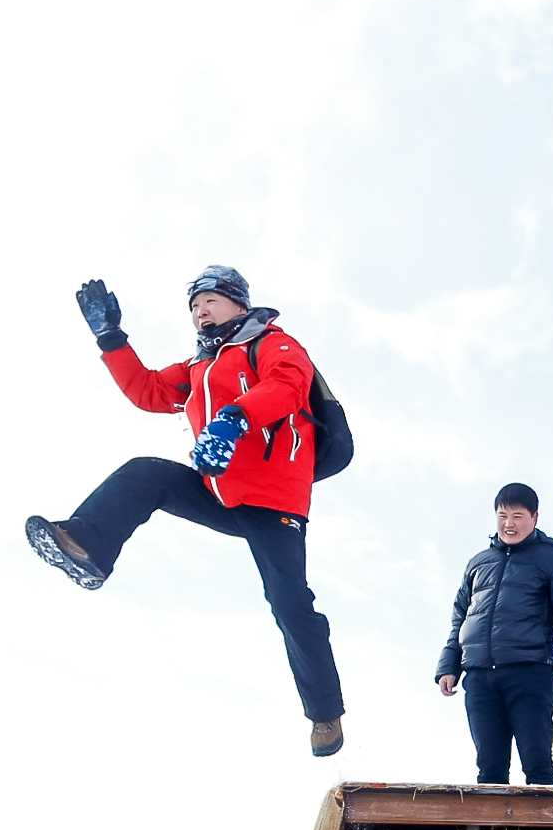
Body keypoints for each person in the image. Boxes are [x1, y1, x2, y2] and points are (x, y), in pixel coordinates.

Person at [27, 265, 347, 756]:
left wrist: (236, 418)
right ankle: (86, 544)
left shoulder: (273, 343)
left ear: (239, 304)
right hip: (218, 494)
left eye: (211, 302)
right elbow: (149, 391)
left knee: (289, 603)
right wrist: (111, 338)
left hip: (275, 502)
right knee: (146, 474)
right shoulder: (200, 367)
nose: (201, 312)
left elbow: (286, 387)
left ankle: (325, 714)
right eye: (195, 306)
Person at [436, 483, 553, 786]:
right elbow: (460, 620)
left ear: (534, 517)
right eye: (503, 516)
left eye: (518, 516)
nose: (509, 524)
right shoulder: (478, 563)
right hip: (480, 676)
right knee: (489, 768)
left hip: (529, 672)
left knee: (537, 763)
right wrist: (448, 666)